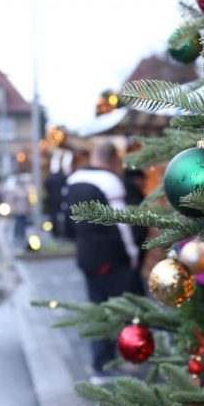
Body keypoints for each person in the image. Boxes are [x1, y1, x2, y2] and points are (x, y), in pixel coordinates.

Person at [63, 141, 140, 379]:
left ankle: (100, 360)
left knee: (97, 307)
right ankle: (121, 358)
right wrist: (133, 253)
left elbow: (66, 221)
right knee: (120, 309)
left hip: (86, 255)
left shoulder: (73, 180)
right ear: (113, 159)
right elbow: (122, 223)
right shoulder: (110, 182)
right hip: (113, 257)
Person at [8, 175, 30, 244]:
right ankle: (16, 236)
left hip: (24, 210)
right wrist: (13, 208)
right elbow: (12, 201)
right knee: (17, 223)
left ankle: (22, 236)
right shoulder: (15, 190)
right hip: (17, 210)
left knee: (23, 223)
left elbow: (28, 200)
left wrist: (29, 208)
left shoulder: (26, 190)